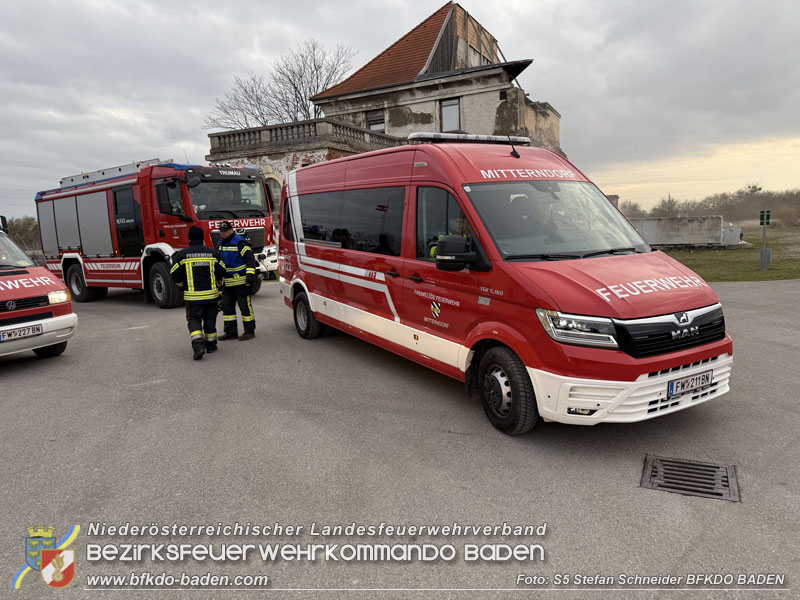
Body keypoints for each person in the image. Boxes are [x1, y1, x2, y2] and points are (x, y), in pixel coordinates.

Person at [170, 226, 226, 360]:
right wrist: (218, 280)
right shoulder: (212, 253)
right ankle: (211, 345)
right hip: (211, 296)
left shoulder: (182, 255)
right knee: (210, 320)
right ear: (202, 237)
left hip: (193, 297)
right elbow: (223, 269)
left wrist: (181, 285)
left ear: (189, 238)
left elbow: (174, 274)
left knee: (194, 320)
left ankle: (198, 346)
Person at [216, 221, 258, 341]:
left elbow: (250, 261)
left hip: (241, 282)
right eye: (221, 231)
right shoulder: (219, 245)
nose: (223, 233)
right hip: (227, 283)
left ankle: (249, 331)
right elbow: (218, 264)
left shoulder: (240, 242)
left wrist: (249, 278)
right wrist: (218, 278)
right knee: (228, 309)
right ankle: (231, 332)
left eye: (225, 231)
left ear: (231, 229)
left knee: (245, 307)